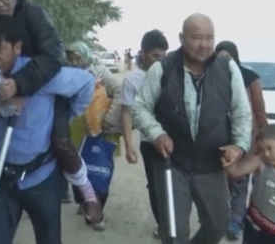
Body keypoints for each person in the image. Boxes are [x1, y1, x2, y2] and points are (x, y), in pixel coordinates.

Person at [0, 0, 102, 224]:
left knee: (61, 142)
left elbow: (53, 56)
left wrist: (20, 84)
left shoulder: (33, 15)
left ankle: (87, 193)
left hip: (42, 88)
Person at [0, 16, 96, 244]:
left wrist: (64, 115)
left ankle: (86, 191)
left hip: (41, 177)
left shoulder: (40, 73)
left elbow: (86, 83)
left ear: (17, 47)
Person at [132, 13, 253, 244]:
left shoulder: (227, 69)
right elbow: (141, 108)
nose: (204, 44)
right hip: (172, 163)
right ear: (182, 38)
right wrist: (157, 134)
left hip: (211, 163)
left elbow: (242, 112)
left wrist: (239, 146)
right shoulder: (162, 69)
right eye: (197, 38)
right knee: (174, 232)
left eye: (209, 38)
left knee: (218, 224)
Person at [65, 41, 123, 231]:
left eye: (77, 58)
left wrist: (110, 117)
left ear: (86, 56)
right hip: (77, 129)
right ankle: (85, 202)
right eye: (71, 59)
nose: (74, 62)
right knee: (78, 167)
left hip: (103, 128)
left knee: (101, 169)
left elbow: (120, 91)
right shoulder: (66, 74)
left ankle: (97, 212)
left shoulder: (99, 71)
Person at [215, 40, 269, 240]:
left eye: (228, 58)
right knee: (222, 183)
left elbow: (259, 109)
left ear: (235, 57)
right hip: (219, 140)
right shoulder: (212, 78)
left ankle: (235, 222)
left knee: (239, 182)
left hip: (246, 138)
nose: (224, 63)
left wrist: (262, 138)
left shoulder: (249, 78)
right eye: (220, 58)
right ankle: (222, 217)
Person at [120, 29, 169, 238]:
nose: (160, 60)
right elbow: (127, 113)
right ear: (143, 53)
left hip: (174, 140)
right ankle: (163, 224)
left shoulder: (171, 74)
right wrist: (129, 146)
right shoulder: (132, 80)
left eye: (163, 56)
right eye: (155, 56)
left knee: (175, 185)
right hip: (149, 143)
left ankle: (174, 222)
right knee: (156, 186)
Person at [223, 124, 275, 244]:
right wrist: (229, 160)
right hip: (254, 227)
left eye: (270, 148)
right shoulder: (261, 162)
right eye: (262, 150)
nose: (266, 154)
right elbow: (235, 172)